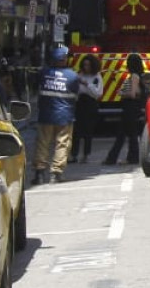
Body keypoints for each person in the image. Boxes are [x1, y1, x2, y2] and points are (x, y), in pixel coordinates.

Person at [32, 45, 77, 184]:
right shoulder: (72, 76)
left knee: (42, 143)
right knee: (62, 143)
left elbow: (36, 86)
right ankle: (56, 173)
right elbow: (76, 94)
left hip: (46, 115)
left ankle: (39, 173)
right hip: (65, 116)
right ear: (64, 59)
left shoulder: (44, 73)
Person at [103, 53, 148, 165]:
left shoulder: (134, 76)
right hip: (132, 108)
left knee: (128, 134)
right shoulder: (138, 75)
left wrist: (122, 93)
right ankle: (116, 158)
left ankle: (123, 158)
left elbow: (134, 93)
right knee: (125, 134)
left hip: (130, 107)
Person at [71, 55, 102, 163]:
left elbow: (97, 93)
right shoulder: (80, 75)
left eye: (88, 65)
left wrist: (87, 84)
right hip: (79, 103)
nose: (86, 67)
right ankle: (73, 155)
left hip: (90, 104)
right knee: (76, 131)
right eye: (84, 65)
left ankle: (86, 154)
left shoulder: (96, 77)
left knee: (88, 131)